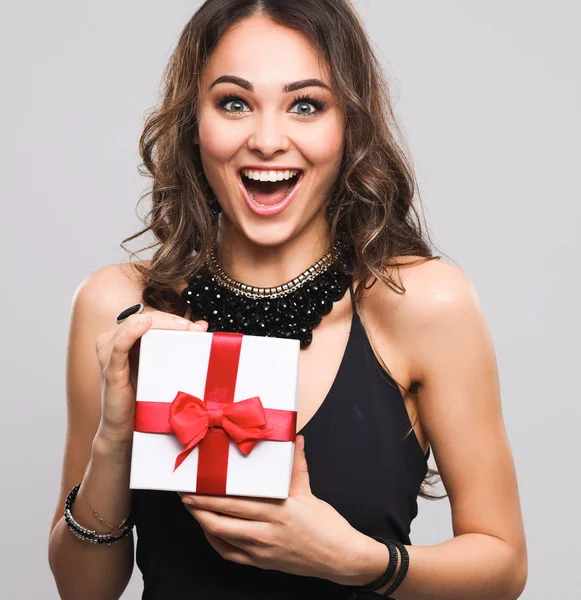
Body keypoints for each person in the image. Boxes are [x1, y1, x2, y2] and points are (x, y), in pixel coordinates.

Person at [48, 1, 528, 598]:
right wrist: (115, 438)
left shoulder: (423, 304)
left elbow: (504, 568)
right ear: (192, 119)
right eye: (233, 103)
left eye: (306, 105)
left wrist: (355, 560)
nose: (268, 140)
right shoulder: (116, 304)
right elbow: (81, 590)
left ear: (349, 122)